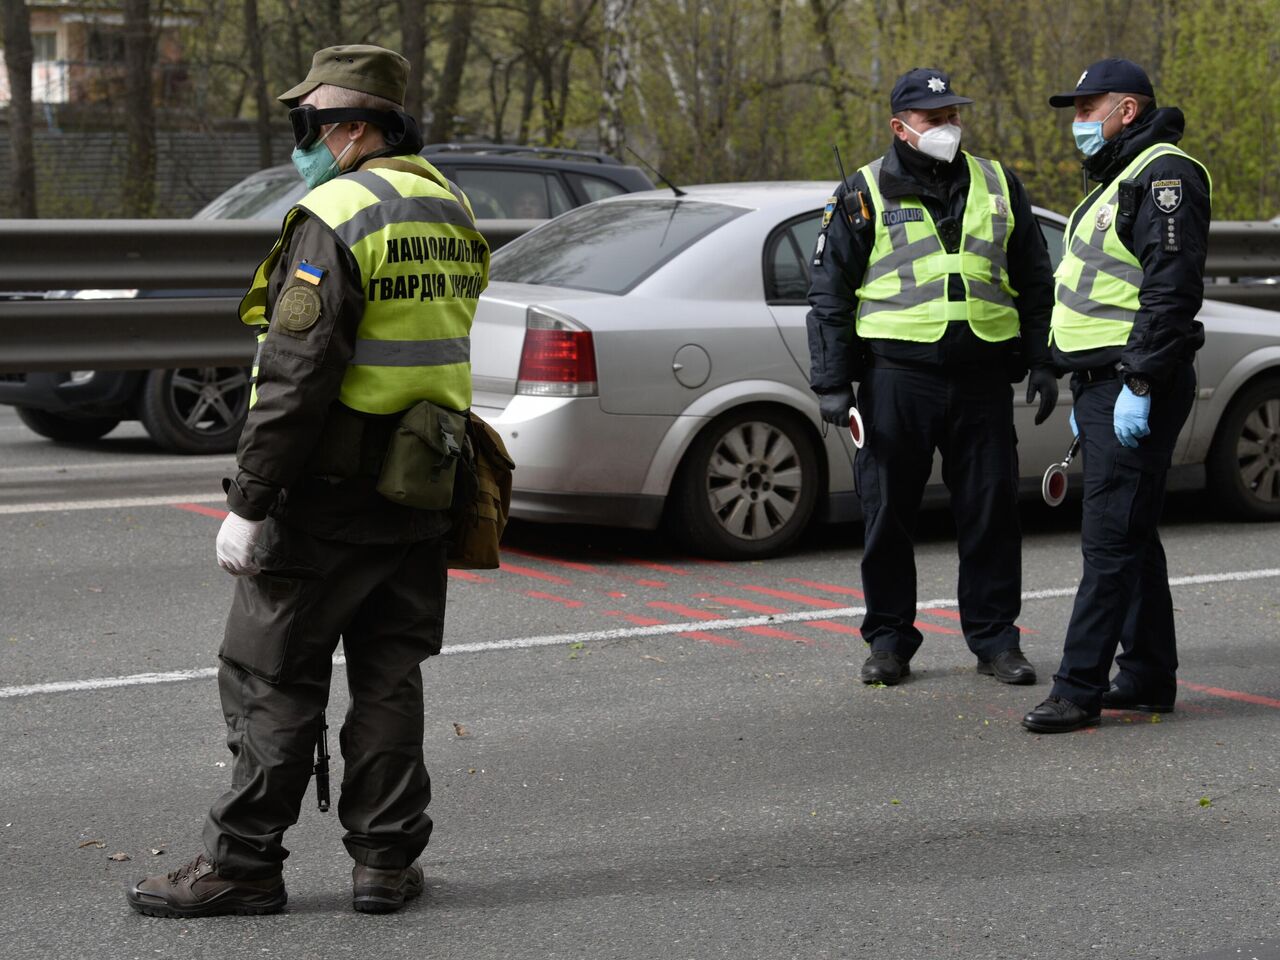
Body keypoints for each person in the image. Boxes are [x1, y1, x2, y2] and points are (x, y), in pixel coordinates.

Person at [126, 44, 489, 915]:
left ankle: (244, 865)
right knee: (390, 675)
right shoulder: (451, 206)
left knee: (274, 676)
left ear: (355, 127)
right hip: (423, 479)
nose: (302, 143)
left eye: (310, 126)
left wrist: (249, 502)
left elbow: (295, 375)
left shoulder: (337, 213)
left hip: (326, 489)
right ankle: (386, 863)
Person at [807, 67, 1057, 688]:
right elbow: (829, 293)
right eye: (933, 118)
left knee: (991, 513)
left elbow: (1033, 277)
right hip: (897, 380)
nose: (948, 126)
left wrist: (1046, 360)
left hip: (982, 379)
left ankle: (996, 640)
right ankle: (889, 641)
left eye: (953, 115)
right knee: (886, 513)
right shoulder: (861, 191)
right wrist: (832, 382)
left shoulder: (998, 182)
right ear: (900, 127)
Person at [1022, 59, 1210, 733]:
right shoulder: (1118, 180)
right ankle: (1149, 674)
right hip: (1108, 383)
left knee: (1109, 541)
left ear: (1125, 110)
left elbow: (1169, 294)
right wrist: (1092, 379)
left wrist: (1135, 381)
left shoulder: (1164, 176)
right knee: (1131, 535)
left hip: (1138, 384)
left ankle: (1078, 688)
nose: (1076, 122)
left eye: (1085, 107)